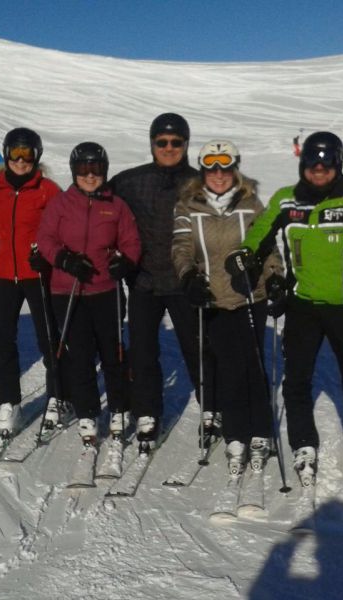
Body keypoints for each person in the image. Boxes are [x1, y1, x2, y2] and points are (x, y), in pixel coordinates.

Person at [225, 131, 343, 486]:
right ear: (302, 163)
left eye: (327, 163)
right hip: (302, 306)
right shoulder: (285, 200)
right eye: (312, 162)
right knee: (297, 380)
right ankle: (303, 442)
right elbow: (260, 233)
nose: (319, 169)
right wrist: (245, 254)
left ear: (338, 164)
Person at [172, 140, 283, 473]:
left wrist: (275, 277)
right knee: (229, 368)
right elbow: (181, 248)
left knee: (253, 364)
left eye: (225, 168)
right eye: (211, 168)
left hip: (250, 296)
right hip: (214, 298)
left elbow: (268, 247)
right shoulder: (188, 206)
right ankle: (236, 434)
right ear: (203, 171)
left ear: (235, 169)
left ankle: (260, 431)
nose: (218, 175)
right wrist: (188, 277)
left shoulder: (252, 205)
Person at [109, 112, 215, 448]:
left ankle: (212, 408)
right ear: (152, 143)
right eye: (162, 142)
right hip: (144, 281)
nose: (169, 148)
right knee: (142, 351)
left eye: (176, 142)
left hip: (185, 282)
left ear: (186, 144)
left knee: (197, 348)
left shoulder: (201, 183)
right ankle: (147, 412)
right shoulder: (131, 181)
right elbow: (94, 202)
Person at [0, 127, 61, 441]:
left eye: (26, 153)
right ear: (6, 154)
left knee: (49, 337)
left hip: (37, 273)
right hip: (3, 274)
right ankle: (9, 403)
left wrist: (47, 255)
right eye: (14, 153)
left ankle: (59, 396)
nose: (20, 160)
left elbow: (60, 231)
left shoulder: (48, 190)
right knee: (1, 341)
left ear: (36, 155)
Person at [36, 142, 140, 444]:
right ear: (74, 171)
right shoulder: (61, 204)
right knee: (80, 355)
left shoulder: (116, 205)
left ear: (104, 171)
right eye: (83, 169)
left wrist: (125, 261)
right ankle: (87, 412)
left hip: (105, 289)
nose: (90, 175)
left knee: (112, 352)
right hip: (67, 290)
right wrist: (64, 259)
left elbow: (131, 241)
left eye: (96, 168)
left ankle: (119, 407)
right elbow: (45, 238)